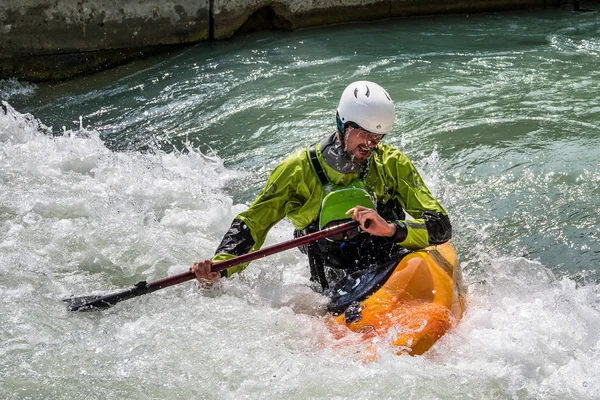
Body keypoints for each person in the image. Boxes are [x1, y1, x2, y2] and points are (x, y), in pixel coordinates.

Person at [191, 81, 452, 292]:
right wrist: (220, 267)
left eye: (378, 137)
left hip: (389, 264)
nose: (370, 144)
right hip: (330, 283)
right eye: (363, 133)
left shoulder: (392, 164)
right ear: (342, 123)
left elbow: (441, 226)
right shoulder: (297, 171)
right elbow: (253, 223)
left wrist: (392, 229)